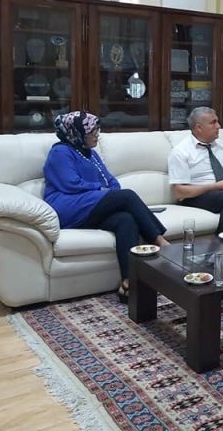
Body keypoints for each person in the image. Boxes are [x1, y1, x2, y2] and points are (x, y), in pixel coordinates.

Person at [43, 111, 168, 303]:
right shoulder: (60, 152)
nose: (97, 134)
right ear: (77, 133)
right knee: (127, 196)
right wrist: (102, 189)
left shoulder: (91, 154)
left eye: (97, 130)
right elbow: (70, 184)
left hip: (90, 205)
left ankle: (129, 283)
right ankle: (161, 242)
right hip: (69, 206)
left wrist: (107, 190)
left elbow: (111, 181)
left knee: (126, 220)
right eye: (92, 131)